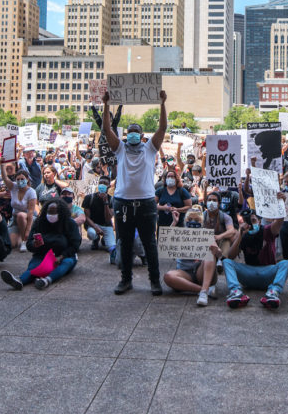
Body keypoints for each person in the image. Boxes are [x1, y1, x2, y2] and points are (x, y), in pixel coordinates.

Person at [101, 90, 166, 296]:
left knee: (150, 244)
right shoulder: (120, 149)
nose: (133, 134)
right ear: (126, 135)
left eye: (136, 131)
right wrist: (106, 105)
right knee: (125, 243)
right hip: (123, 204)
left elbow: (163, 127)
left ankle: (154, 281)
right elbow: (106, 129)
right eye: (130, 131)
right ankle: (125, 280)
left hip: (146, 204)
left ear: (143, 136)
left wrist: (162, 103)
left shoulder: (150, 149)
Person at [1, 198, 81, 290]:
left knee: (67, 263)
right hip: (42, 255)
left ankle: (46, 280)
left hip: (64, 255)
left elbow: (75, 244)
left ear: (60, 213)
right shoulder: (39, 222)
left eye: (54, 213)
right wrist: (34, 244)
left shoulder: (69, 223)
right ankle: (19, 280)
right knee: (34, 269)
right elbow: (29, 244)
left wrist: (62, 256)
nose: (51, 215)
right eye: (49, 212)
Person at [224, 207, 288, 309]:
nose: (251, 224)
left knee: (286, 263)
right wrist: (240, 235)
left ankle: (273, 292)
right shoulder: (243, 235)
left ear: (260, 221)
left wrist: (281, 204)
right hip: (249, 274)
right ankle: (235, 292)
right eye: (248, 221)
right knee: (226, 262)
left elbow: (279, 221)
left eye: (253, 220)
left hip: (268, 272)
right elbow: (231, 256)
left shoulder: (267, 230)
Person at [162, 206, 220, 306]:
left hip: (202, 272)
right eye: (190, 219)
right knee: (168, 276)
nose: (193, 222)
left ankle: (203, 292)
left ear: (201, 222)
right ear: (185, 220)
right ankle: (204, 290)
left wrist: (217, 251)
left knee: (210, 253)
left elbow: (219, 254)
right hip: (185, 273)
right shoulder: (180, 234)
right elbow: (166, 244)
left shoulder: (207, 235)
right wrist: (174, 222)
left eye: (196, 220)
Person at [5, 162, 38, 252]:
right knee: (11, 244)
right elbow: (5, 178)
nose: (20, 181)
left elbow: (31, 212)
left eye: (22, 179)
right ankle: (19, 235)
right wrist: (1, 164)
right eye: (18, 179)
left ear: (27, 179)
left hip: (28, 218)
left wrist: (27, 231)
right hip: (15, 219)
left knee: (21, 215)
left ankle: (25, 241)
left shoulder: (31, 192)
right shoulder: (14, 187)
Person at [83, 175, 116, 259]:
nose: (102, 185)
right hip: (93, 225)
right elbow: (86, 217)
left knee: (111, 246)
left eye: (105, 183)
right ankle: (96, 239)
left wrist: (106, 203)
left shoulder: (112, 200)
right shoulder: (89, 198)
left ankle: (104, 239)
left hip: (106, 225)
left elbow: (108, 218)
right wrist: (95, 227)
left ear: (109, 186)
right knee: (91, 233)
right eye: (101, 183)